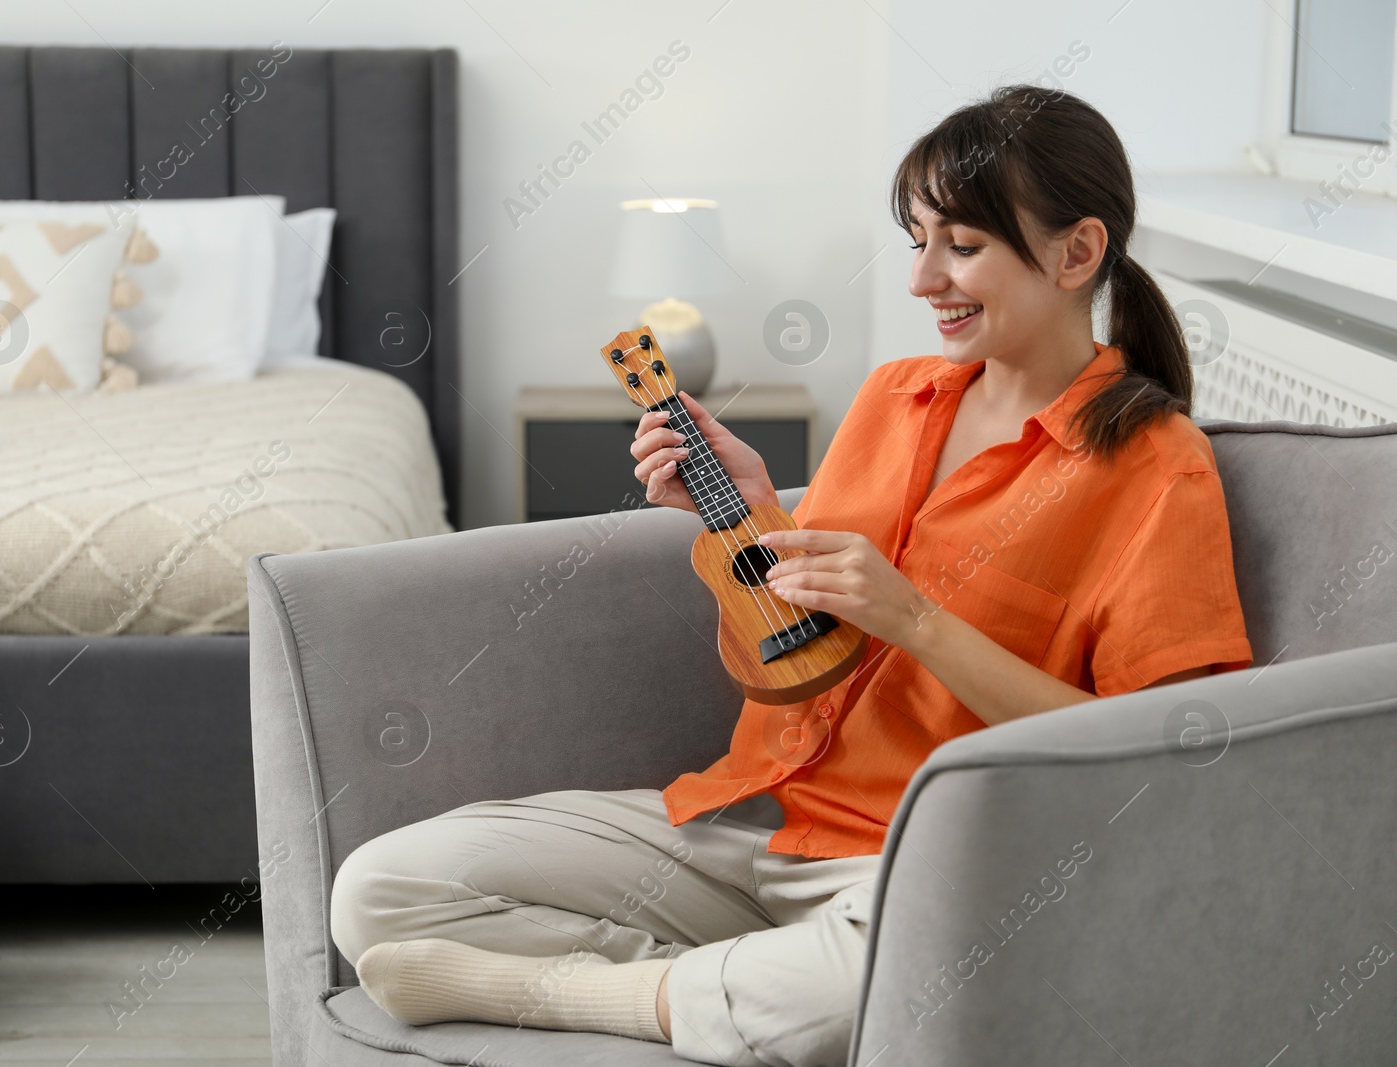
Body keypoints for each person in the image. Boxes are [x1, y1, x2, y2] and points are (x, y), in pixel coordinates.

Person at [330, 84, 1253, 1067]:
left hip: (923, 862)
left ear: (1077, 252)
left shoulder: (1157, 466)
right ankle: (727, 988)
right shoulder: (891, 398)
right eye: (918, 240)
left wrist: (919, 619)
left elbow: (1169, 757)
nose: (922, 280)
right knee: (379, 888)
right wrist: (756, 508)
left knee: (898, 971)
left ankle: (614, 991)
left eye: (963, 246)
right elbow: (801, 647)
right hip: (759, 821)